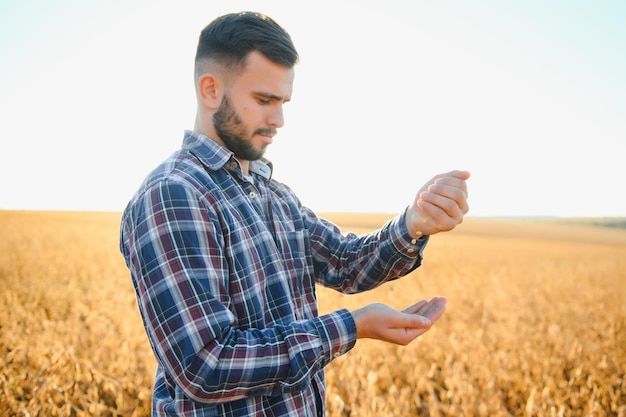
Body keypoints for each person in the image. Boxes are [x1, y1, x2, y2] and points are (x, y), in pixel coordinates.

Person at [119, 11, 470, 417]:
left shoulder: (274, 195)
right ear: (211, 90)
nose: (279, 120)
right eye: (264, 100)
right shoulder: (174, 194)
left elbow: (345, 263)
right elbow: (206, 365)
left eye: (283, 102)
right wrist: (352, 326)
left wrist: (413, 223)